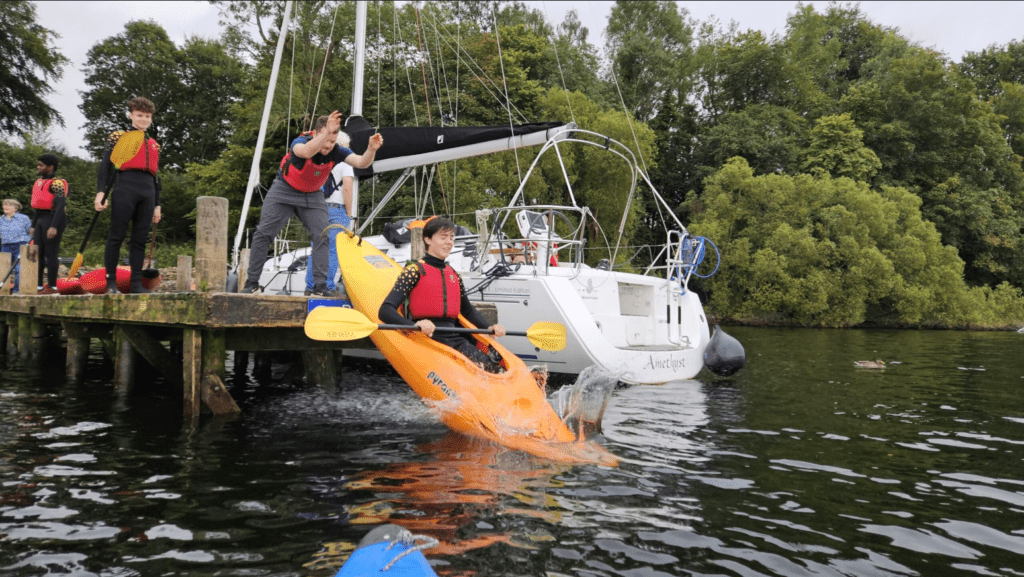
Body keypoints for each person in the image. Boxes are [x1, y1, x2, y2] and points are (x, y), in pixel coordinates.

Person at [243, 111, 381, 296]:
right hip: (285, 190)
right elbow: (307, 152)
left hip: (312, 194)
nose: (328, 146)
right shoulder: (299, 143)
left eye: (332, 142)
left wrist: (371, 149)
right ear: (316, 133)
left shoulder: (336, 150)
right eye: (326, 140)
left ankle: (320, 286)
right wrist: (325, 134)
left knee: (322, 235)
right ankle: (251, 283)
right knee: (264, 233)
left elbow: (361, 163)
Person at [378, 217, 507, 373]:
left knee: (493, 368)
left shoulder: (453, 274)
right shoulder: (414, 271)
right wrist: (413, 326)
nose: (449, 242)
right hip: (427, 337)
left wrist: (489, 327)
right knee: (484, 368)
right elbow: (385, 310)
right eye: (443, 237)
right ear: (428, 239)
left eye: (452, 237)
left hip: (455, 337)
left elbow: (467, 310)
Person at [95, 96, 162, 294]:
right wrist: (101, 192)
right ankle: (111, 283)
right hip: (125, 186)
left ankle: (135, 284)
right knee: (117, 235)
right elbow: (105, 166)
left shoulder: (154, 144)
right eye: (140, 115)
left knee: (140, 238)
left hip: (148, 190)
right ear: (131, 115)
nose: (143, 119)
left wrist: (157, 204)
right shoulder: (118, 136)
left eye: (147, 116)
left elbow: (157, 177)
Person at [304, 130, 355, 296]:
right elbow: (347, 187)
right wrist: (349, 213)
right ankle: (327, 286)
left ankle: (311, 286)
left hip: (318, 207)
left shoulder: (322, 160)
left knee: (317, 248)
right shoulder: (345, 163)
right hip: (336, 209)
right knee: (332, 249)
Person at [30, 154, 69, 294]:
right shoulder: (39, 182)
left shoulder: (57, 183)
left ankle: (53, 286)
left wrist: (53, 226)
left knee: (50, 252)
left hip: (53, 218)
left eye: (41, 165)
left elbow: (60, 206)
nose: (38, 167)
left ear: (50, 167)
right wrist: (33, 225)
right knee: (38, 252)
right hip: (41, 218)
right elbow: (38, 207)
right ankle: (39, 286)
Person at [0, 199, 32, 293]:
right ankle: (3, 291)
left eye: (8, 205)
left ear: (15, 208)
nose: (5, 207)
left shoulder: (24, 218)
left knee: (19, 268)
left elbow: (30, 232)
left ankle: (16, 291)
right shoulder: (1, 219)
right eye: (4, 205)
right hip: (6, 245)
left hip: (20, 245)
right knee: (3, 269)